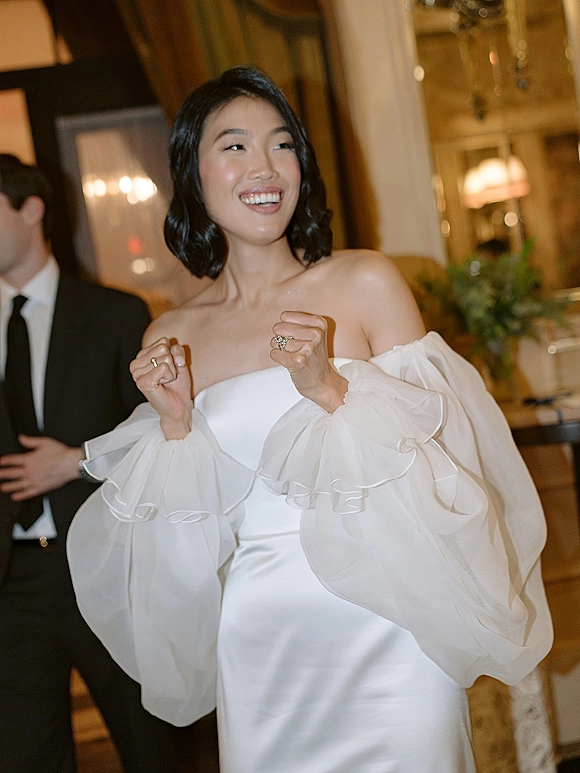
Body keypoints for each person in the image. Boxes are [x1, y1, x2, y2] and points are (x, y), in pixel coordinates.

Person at [67, 67, 553, 773]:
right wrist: (175, 431)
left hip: (388, 627)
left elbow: (455, 482)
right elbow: (179, 567)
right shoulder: (170, 336)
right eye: (234, 146)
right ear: (192, 172)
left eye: (282, 144)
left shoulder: (365, 283)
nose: (264, 168)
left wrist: (331, 391)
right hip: (264, 640)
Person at [0, 154, 182, 773]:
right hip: (10, 584)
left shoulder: (116, 313)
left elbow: (161, 435)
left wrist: (76, 462)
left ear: (31, 210)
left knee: (151, 747)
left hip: (103, 567)